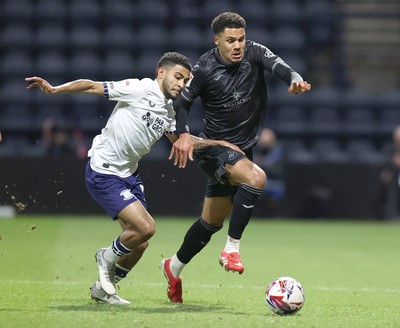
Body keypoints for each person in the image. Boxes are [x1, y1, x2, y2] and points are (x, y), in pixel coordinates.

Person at [25, 52, 241, 305]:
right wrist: (54, 90)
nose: (181, 84)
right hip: (104, 172)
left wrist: (221, 145)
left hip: (129, 174)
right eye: (177, 77)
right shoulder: (139, 88)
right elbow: (93, 85)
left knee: (139, 244)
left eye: (185, 80)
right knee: (146, 228)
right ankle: (105, 257)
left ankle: (104, 289)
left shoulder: (170, 111)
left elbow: (181, 142)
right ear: (161, 72)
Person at [161, 12, 311, 303]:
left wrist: (295, 79)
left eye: (241, 38)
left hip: (241, 150)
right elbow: (182, 104)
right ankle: (232, 249)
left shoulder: (254, 53)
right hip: (213, 150)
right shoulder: (203, 68)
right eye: (230, 40)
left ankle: (173, 267)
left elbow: (279, 65)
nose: (238, 45)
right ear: (216, 40)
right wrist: (182, 135)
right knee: (257, 178)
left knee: (211, 223)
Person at [253, 128, 285, 217]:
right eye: (262, 141)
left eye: (267, 140)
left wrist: (263, 163)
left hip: (272, 181)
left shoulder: (278, 151)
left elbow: (277, 171)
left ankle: (273, 214)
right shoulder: (254, 149)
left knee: (273, 187)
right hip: (254, 180)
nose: (265, 143)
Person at [379, 126, 400, 220]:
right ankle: (392, 215)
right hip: (394, 177)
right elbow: (385, 169)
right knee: (392, 187)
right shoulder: (390, 150)